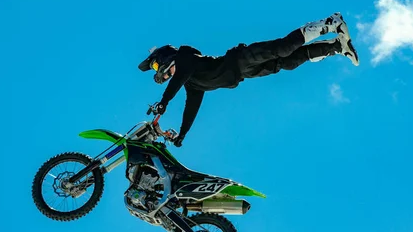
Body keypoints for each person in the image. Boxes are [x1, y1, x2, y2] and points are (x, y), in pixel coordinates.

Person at [138, 12, 359, 147]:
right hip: (244, 74)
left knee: (282, 48)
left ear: (166, 57)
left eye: (159, 67)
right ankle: (336, 46)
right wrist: (183, 134)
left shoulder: (185, 58)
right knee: (288, 62)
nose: (163, 74)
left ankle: (330, 22)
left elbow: (177, 81)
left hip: (240, 59)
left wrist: (164, 102)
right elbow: (191, 107)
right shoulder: (192, 83)